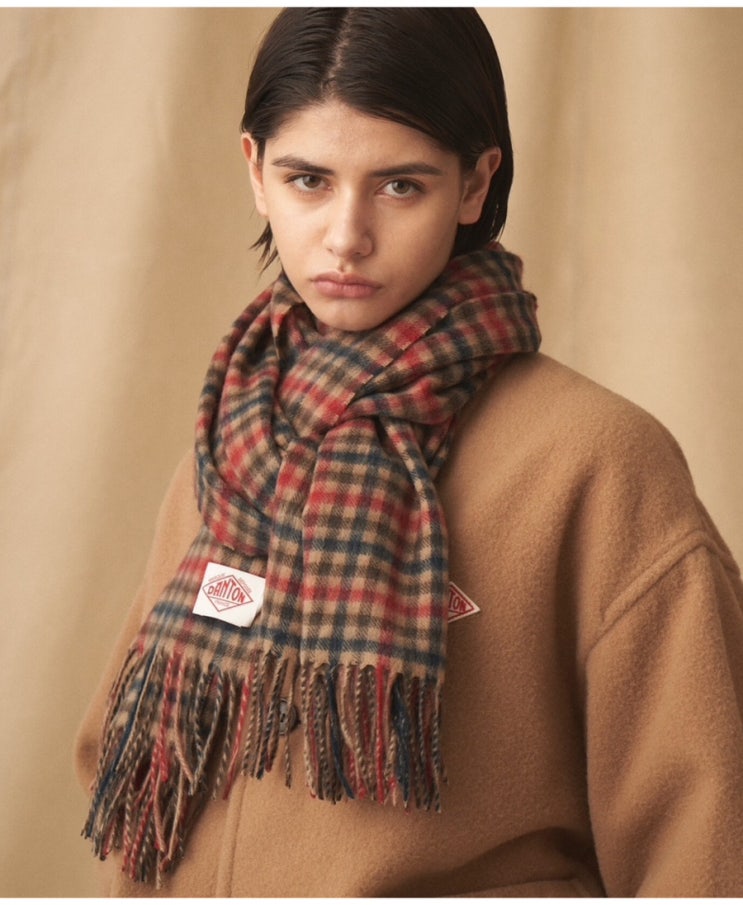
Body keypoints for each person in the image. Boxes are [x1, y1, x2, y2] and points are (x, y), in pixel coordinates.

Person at [75, 7, 743, 897]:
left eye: (399, 186)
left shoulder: (596, 462)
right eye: (308, 180)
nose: (345, 236)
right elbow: (129, 772)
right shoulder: (235, 437)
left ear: (474, 184)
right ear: (256, 171)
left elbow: (700, 842)